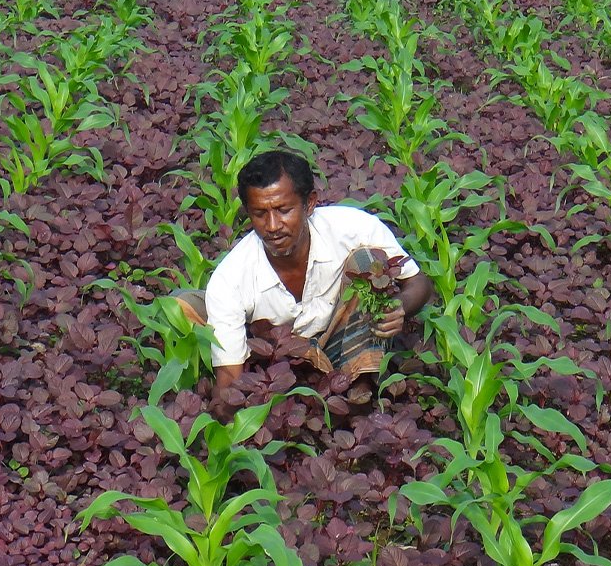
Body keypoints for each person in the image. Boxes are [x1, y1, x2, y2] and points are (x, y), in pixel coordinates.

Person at [175, 150, 433, 391]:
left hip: (342, 334)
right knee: (182, 307)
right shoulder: (231, 277)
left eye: (284, 210)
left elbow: (418, 282)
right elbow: (229, 382)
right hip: (279, 354)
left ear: (309, 204)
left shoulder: (356, 229)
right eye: (260, 214)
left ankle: (361, 383)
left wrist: (400, 305)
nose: (273, 226)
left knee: (367, 261)